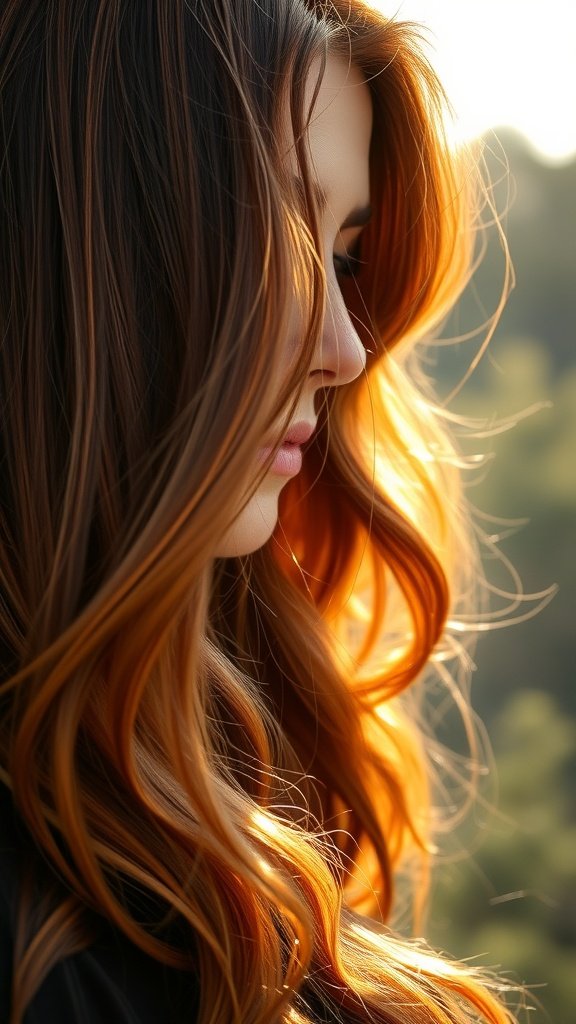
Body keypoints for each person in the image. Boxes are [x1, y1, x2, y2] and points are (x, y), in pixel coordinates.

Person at [0, 1, 519, 1021]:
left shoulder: (215, 819)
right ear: (77, 255)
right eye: (274, 242)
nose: (345, 348)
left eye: (344, 258)